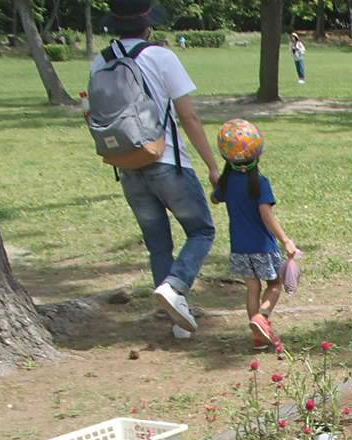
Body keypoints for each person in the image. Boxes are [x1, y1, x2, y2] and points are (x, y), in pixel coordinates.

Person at [92, 0, 219, 338]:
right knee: (202, 231)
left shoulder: (100, 61)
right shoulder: (161, 57)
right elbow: (188, 116)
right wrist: (212, 165)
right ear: (148, 24)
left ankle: (177, 318)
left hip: (128, 164)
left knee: (158, 244)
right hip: (167, 161)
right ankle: (175, 288)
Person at [211, 119, 301, 353]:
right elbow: (267, 215)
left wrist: (215, 183)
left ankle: (258, 338)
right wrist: (286, 240)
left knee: (252, 288)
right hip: (262, 245)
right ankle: (262, 317)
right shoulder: (260, 183)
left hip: (239, 247)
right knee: (274, 284)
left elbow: (215, 197)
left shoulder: (227, 182)